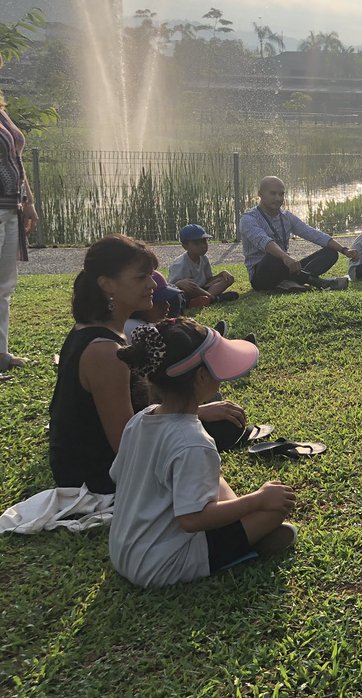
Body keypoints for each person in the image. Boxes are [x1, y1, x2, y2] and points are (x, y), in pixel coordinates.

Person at [48, 236, 254, 494]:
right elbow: (125, 441)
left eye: (151, 275)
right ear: (107, 285)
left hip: (102, 452)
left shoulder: (101, 329)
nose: (151, 285)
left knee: (216, 414)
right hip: (93, 472)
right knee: (217, 429)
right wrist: (193, 413)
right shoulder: (104, 351)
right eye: (140, 278)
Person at [108, 319, 297, 588]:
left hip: (125, 550)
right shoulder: (193, 442)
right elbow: (192, 520)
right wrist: (257, 499)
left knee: (213, 479)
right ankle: (246, 547)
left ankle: (245, 532)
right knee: (274, 511)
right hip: (160, 565)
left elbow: (119, 475)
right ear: (200, 378)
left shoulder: (141, 420)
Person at [240, 176, 355, 291]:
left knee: (330, 253)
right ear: (260, 194)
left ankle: (289, 283)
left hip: (285, 266)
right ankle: (321, 283)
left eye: (281, 194)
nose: (278, 198)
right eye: (273, 193)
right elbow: (264, 242)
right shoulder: (248, 219)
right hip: (263, 273)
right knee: (273, 256)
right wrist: (285, 257)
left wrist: (344, 250)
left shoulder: (286, 216)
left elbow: (312, 233)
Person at [0, 87, 37, 374]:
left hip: (10, 207)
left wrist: (28, 201)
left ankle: (1, 353)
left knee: (4, 286)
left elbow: (16, 160)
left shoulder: (2, 111)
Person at [168, 224, 236, 308]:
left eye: (204, 241)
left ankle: (205, 299)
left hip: (203, 289)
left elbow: (208, 280)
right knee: (190, 286)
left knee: (228, 279)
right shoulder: (179, 264)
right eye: (196, 243)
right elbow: (171, 288)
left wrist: (223, 273)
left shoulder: (203, 258)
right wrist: (179, 283)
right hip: (189, 293)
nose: (203, 246)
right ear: (185, 246)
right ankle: (213, 299)